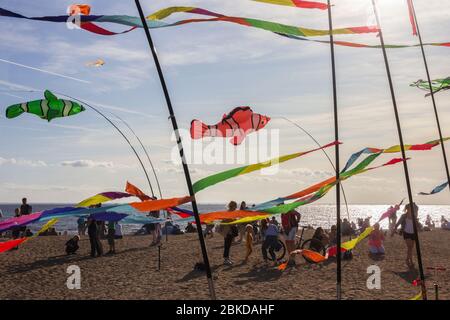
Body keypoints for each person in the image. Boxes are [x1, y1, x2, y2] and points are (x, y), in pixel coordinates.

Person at [392, 203, 419, 268]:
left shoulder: (414, 215)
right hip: (406, 232)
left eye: (412, 208)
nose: (411, 209)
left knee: (411, 248)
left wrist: (413, 204)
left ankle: (407, 259)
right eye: (410, 208)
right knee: (409, 247)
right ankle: (410, 261)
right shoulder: (404, 216)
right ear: (407, 209)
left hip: (413, 233)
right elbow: (398, 223)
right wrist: (393, 230)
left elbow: (417, 208)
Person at [220, 201, 239, 266]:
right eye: (235, 206)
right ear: (232, 206)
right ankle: (226, 259)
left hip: (228, 231)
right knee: (227, 245)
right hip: (228, 231)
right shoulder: (229, 213)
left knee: (228, 245)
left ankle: (227, 258)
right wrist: (235, 221)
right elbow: (228, 221)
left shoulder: (230, 212)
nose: (236, 207)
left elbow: (231, 221)